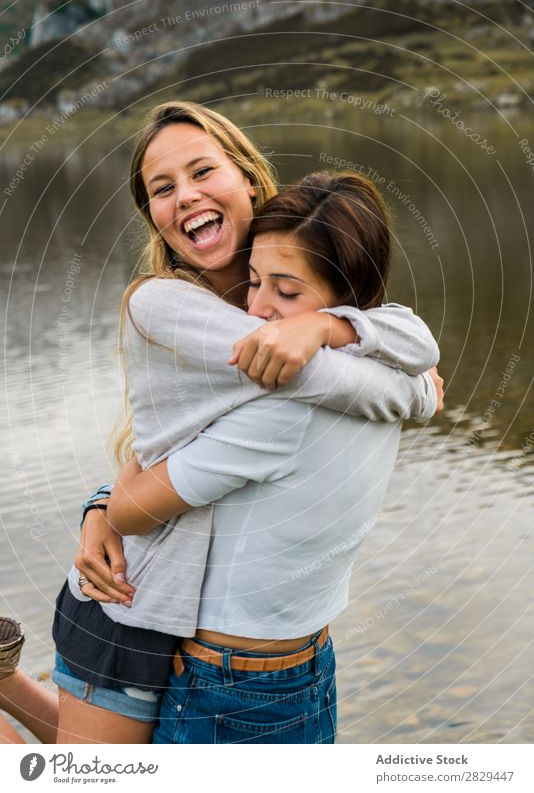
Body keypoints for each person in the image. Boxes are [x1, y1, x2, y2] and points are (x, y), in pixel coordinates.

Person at [0, 102, 440, 744]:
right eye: (161, 188)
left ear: (248, 181)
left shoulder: (302, 272)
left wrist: (330, 325)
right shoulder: (164, 304)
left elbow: (407, 336)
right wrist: (413, 390)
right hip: (134, 599)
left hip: (190, 614)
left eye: (203, 171)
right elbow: (321, 379)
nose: (186, 197)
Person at [102, 170, 444, 743]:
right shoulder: (387, 369)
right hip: (312, 662)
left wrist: (108, 499)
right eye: (254, 281)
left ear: (346, 299)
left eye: (287, 293)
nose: (256, 309)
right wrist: (328, 327)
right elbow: (414, 343)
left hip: (231, 683)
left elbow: (129, 512)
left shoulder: (280, 405)